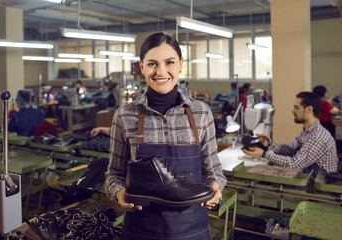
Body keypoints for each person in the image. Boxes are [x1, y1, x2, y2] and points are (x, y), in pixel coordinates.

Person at [105, 32, 227, 240]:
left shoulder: (201, 112)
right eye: (152, 64)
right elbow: (113, 175)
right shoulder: (125, 116)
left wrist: (215, 186)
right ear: (141, 67)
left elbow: (212, 169)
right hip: (141, 230)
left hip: (193, 230)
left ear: (180, 64)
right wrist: (119, 194)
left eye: (169, 62)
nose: (161, 72)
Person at [243, 91, 338, 175]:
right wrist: (270, 143)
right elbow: (290, 150)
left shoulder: (318, 137)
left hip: (317, 190)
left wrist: (264, 154)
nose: (293, 110)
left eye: (297, 108)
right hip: (309, 178)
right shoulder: (307, 131)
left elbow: (294, 164)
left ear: (309, 109)